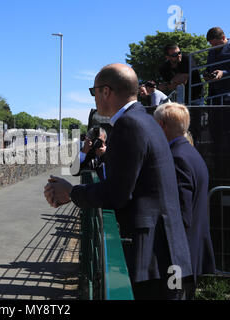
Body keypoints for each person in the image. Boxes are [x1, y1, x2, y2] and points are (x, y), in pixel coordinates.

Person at [44, 63, 193, 300]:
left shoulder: (129, 124)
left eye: (93, 92)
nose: (94, 99)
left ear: (106, 91)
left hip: (153, 256)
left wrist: (71, 192)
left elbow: (117, 193)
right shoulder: (144, 119)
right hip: (167, 253)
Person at [153, 102, 216, 299]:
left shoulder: (175, 158)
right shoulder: (192, 154)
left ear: (162, 125)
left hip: (177, 258)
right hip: (191, 253)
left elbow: (179, 215)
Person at [205, 27, 230, 105]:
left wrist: (223, 73)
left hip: (227, 94)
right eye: (211, 44)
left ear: (223, 38)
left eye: (215, 44)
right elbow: (208, 68)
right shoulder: (211, 51)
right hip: (213, 96)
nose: (213, 47)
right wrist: (206, 74)